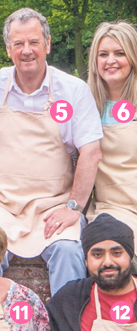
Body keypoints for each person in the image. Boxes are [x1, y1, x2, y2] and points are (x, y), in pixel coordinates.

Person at [0, 8, 103, 295]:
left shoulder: (74, 90)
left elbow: (91, 152)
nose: (26, 51)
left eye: (33, 42)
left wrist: (73, 208)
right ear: (8, 49)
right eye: (18, 44)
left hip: (51, 206)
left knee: (68, 251)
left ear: (48, 44)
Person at [86, 22, 137, 266]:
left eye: (119, 53)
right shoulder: (86, 105)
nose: (111, 61)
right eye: (103, 54)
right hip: (112, 206)